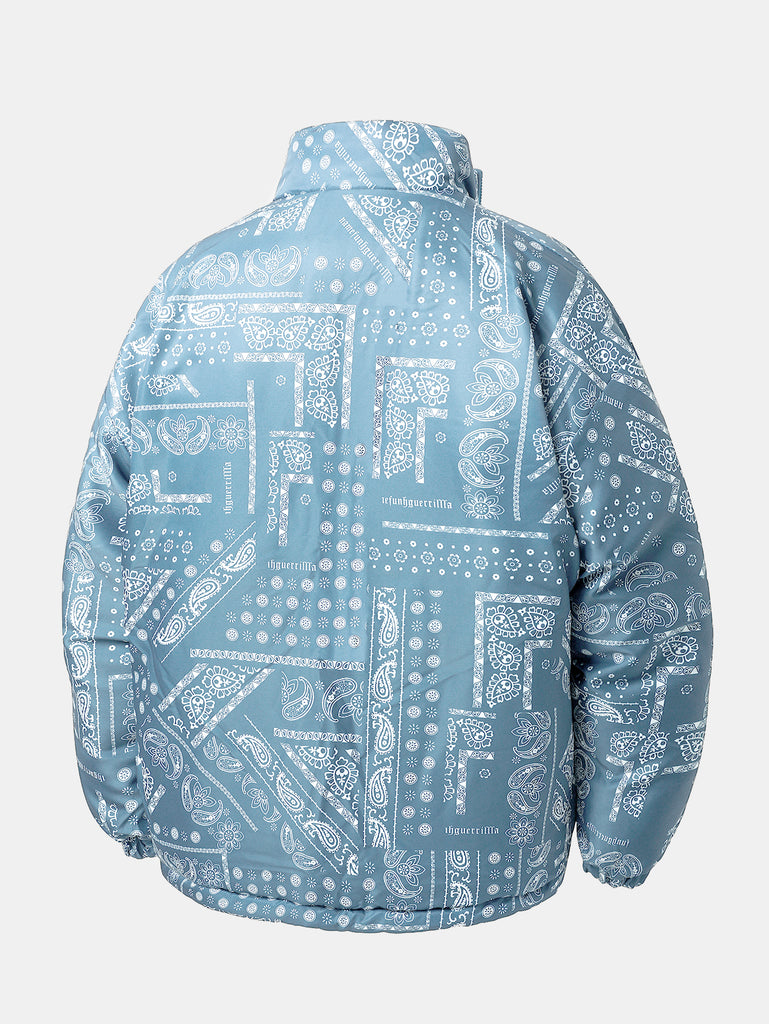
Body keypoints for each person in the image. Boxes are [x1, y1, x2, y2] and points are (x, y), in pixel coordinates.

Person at [61, 119, 713, 931]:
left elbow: (102, 567)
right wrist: (624, 829)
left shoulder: (191, 287)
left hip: (212, 854)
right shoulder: (530, 277)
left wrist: (125, 792)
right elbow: (643, 570)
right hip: (487, 866)